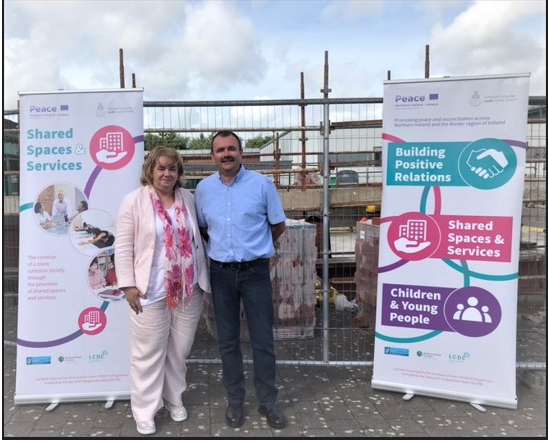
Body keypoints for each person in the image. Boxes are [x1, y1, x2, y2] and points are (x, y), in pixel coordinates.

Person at [195, 130, 288, 429]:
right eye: (220, 150)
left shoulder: (262, 185)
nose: (226, 154)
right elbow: (204, 229)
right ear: (212, 156)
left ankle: (268, 402)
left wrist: (255, 250)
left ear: (241, 153)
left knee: (263, 340)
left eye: (231, 148)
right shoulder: (203, 189)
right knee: (227, 341)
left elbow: (278, 226)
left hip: (255, 273)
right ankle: (235, 401)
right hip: (220, 274)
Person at [115, 146, 211, 435]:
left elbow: (199, 238)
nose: (167, 173)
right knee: (148, 353)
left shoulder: (188, 198)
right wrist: (128, 286)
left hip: (188, 290)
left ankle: (173, 398)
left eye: (172, 168)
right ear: (150, 171)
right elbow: (123, 247)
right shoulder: (133, 201)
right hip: (150, 291)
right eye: (161, 168)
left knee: (179, 351)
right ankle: (145, 410)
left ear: (178, 173)